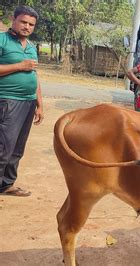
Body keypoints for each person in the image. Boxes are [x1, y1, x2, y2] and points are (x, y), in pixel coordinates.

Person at [0, 6, 43, 197]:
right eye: (23, 22)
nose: (27, 27)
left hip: (28, 102)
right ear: (13, 19)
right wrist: (19, 65)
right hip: (8, 100)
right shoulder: (2, 40)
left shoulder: (32, 48)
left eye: (31, 24)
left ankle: (6, 184)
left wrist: (39, 104)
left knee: (17, 147)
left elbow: (35, 76)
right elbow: (24, 68)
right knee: (4, 147)